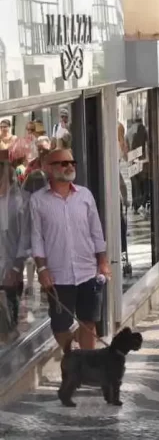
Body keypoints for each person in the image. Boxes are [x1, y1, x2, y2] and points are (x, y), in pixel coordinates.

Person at [30, 148, 110, 353]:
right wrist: (42, 269)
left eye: (72, 163)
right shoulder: (38, 200)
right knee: (59, 325)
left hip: (87, 271)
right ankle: (73, 357)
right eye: (64, 163)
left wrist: (102, 261)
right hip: (58, 274)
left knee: (88, 322)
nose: (70, 166)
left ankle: (88, 366)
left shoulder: (85, 195)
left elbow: (96, 231)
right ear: (49, 168)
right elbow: (36, 238)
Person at [0, 162, 29, 346]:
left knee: (10, 306)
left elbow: (24, 238)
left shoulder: (18, 203)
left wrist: (17, 266)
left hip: (11, 265)